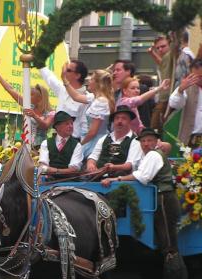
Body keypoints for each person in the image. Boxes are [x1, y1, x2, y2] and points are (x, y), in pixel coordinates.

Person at [101, 128, 179, 256]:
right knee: (165, 238)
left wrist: (117, 178)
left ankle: (175, 269)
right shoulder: (149, 155)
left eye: (149, 140)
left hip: (164, 197)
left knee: (168, 241)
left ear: (155, 142)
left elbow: (143, 177)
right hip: (161, 196)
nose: (145, 144)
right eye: (143, 141)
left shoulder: (153, 155)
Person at [0, 59, 55, 148]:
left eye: (32, 95)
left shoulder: (51, 112)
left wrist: (34, 115)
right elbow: (10, 89)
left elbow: (45, 125)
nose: (28, 97)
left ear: (41, 97)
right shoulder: (28, 105)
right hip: (26, 144)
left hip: (41, 147)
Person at [63, 69, 114, 158]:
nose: (88, 81)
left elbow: (93, 132)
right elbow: (76, 97)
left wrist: (79, 145)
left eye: (91, 79)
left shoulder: (101, 102)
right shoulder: (95, 97)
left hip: (95, 141)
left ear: (98, 83)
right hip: (91, 139)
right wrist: (65, 80)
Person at [86, 105, 143, 176]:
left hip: (118, 180)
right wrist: (90, 165)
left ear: (130, 121)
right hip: (97, 177)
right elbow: (93, 156)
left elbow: (130, 165)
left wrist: (114, 167)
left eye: (124, 118)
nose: (119, 121)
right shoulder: (104, 138)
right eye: (117, 118)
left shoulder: (135, 141)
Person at [40, 60, 89, 140]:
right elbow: (49, 77)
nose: (64, 72)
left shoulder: (86, 98)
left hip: (74, 141)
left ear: (77, 75)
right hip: (57, 139)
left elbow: (85, 126)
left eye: (68, 70)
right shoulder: (62, 89)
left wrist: (81, 147)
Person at [38, 111, 84, 177]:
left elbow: (74, 169)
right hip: (49, 182)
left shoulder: (77, 145)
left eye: (71, 123)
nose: (71, 126)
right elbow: (43, 166)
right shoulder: (46, 143)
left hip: (70, 182)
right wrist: (46, 169)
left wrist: (55, 170)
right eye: (67, 124)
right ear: (57, 126)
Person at [148, 35, 172, 130]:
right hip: (164, 97)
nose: (160, 49)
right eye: (158, 48)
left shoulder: (171, 56)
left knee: (155, 128)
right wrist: (152, 53)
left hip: (167, 98)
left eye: (163, 46)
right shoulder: (165, 58)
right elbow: (162, 64)